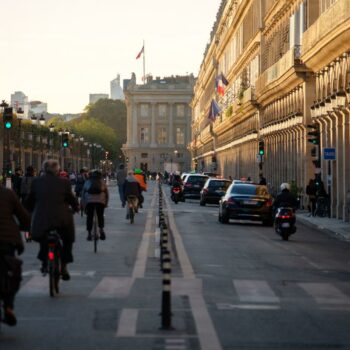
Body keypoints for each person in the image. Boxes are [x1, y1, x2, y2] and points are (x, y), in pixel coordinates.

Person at [25, 160, 79, 280]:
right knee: (67, 240)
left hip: (42, 219)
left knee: (42, 238)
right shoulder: (64, 182)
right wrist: (76, 207)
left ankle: (44, 261)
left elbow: (29, 201)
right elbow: (71, 198)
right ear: (57, 170)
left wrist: (29, 211)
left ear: (44, 169)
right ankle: (64, 267)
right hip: (62, 219)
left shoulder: (36, 182)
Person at [0, 185, 31, 326]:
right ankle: (8, 306)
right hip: (6, 240)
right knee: (11, 272)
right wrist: (27, 227)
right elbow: (22, 214)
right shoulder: (8, 194)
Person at [82, 170, 109, 241]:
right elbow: (107, 194)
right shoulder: (102, 182)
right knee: (100, 215)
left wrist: (84, 206)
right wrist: (105, 204)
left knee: (89, 217)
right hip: (100, 202)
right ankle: (101, 230)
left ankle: (89, 234)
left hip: (89, 202)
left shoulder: (87, 182)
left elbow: (83, 195)